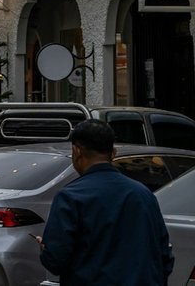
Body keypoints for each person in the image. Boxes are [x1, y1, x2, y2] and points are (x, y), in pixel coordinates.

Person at [39, 118, 173, 286]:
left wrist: (45, 249)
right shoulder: (144, 195)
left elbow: (55, 260)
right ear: (113, 153)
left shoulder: (70, 196)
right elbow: (165, 256)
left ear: (76, 151)